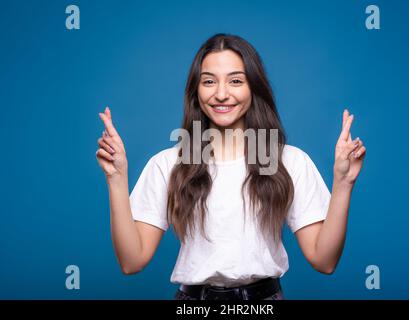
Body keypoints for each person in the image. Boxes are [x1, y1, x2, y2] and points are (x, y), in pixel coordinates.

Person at [95, 33, 366, 300]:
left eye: (236, 81)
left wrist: (343, 183)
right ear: (196, 90)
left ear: (254, 88)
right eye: (209, 81)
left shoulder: (289, 161)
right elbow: (131, 262)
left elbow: (324, 260)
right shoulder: (168, 164)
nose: (221, 94)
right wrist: (117, 178)